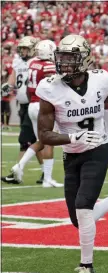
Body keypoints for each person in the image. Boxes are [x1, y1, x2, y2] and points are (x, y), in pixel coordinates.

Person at [36, 34, 108, 273]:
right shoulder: (49, 87)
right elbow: (45, 135)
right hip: (71, 154)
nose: (64, 64)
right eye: (61, 59)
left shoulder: (101, 80)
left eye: (70, 59)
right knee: (78, 219)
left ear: (84, 60)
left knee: (83, 207)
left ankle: (87, 264)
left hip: (98, 149)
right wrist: (73, 138)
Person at [8, 40, 63, 187]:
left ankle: (19, 166)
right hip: (42, 105)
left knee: (41, 141)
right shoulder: (48, 65)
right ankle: (47, 179)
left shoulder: (32, 63)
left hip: (32, 104)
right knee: (48, 140)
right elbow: (56, 86)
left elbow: (27, 87)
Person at [1, 36, 43, 185]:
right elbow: (12, 80)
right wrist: (6, 87)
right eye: (22, 48)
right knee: (34, 141)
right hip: (23, 105)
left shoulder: (38, 62)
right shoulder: (18, 62)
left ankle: (16, 173)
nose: (23, 51)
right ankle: (45, 172)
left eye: (26, 48)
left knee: (24, 139)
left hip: (34, 104)